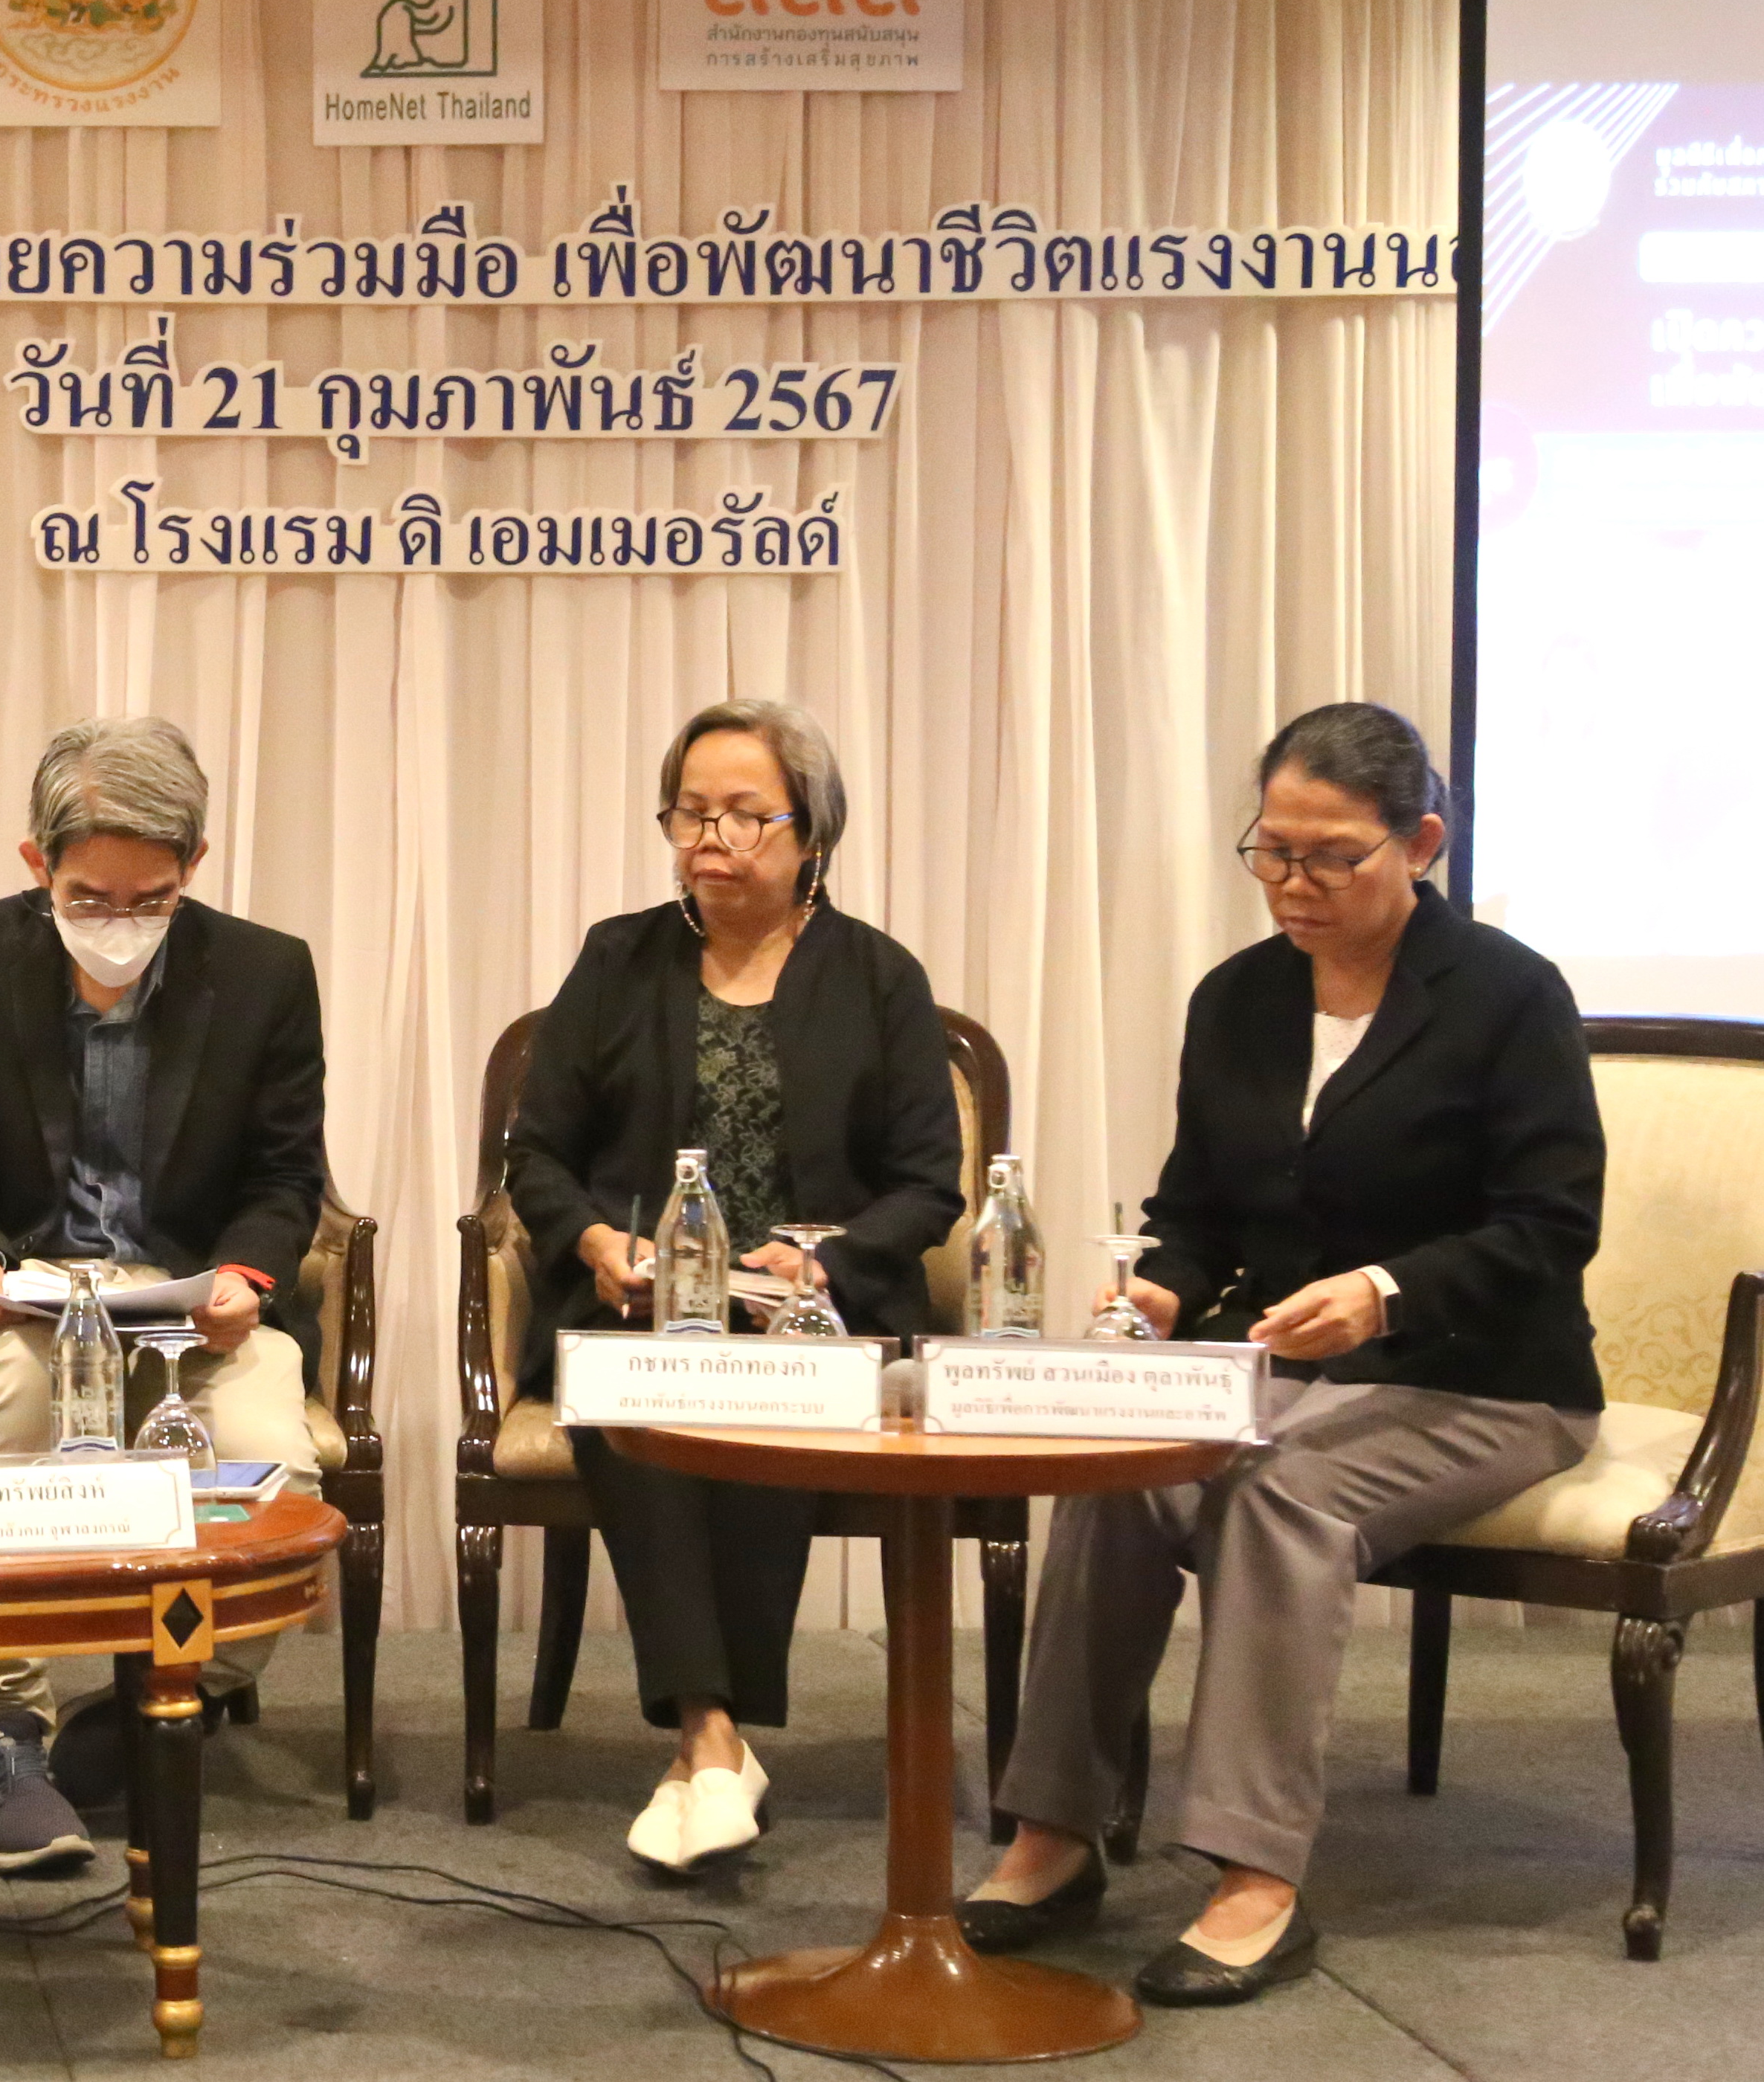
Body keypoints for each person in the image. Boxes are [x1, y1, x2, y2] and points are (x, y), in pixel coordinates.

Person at [966, 702, 1603, 2006]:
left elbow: (1550, 1227)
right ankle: (1053, 1831)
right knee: (1117, 1467)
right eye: (1270, 851)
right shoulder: (1240, 997)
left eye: (1329, 858)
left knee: (1279, 1494)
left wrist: (1383, 1293)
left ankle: (1252, 1877)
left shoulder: (1507, 995)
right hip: (1284, 1371)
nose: (1292, 885)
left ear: (1418, 844)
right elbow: (1197, 1206)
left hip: (1484, 1382)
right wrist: (1157, 1288)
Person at [503, 699, 963, 1875]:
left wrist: (822, 1263)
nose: (710, 838)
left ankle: (706, 1749)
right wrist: (596, 1243)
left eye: (743, 815)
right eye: (690, 812)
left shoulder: (876, 978)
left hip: (811, 1312)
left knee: (775, 1384)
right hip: (635, 1304)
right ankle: (713, 1737)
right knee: (635, 1394)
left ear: (810, 833)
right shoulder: (617, 960)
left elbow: (928, 1185)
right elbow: (536, 1154)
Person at [0, 718, 329, 1878]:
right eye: (88, 897)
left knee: (277, 1477)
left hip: (192, 1294)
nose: (120, 922)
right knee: (18, 1413)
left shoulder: (265, 972)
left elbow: (285, 1176)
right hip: (34, 1287)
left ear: (194, 866)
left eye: (152, 899)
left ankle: (164, 1698)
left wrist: (243, 1277)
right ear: (35, 864)